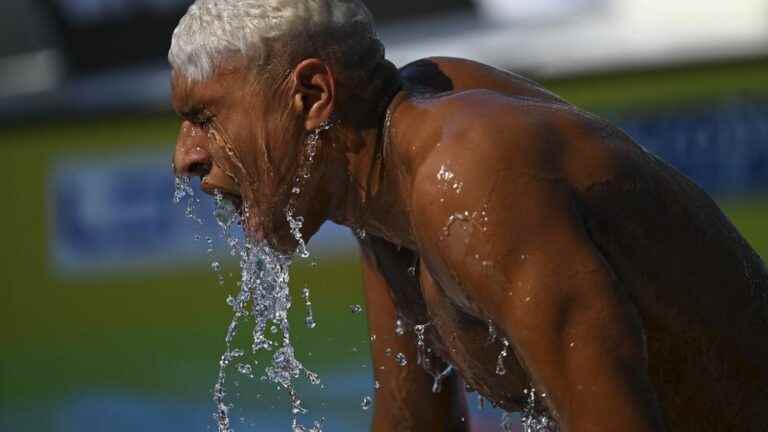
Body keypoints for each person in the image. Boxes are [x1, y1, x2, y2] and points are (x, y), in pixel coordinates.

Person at [170, 1, 768, 430]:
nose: (185, 158)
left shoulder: (469, 177)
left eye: (206, 117)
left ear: (311, 97)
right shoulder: (385, 194)